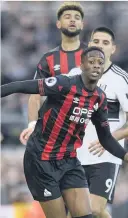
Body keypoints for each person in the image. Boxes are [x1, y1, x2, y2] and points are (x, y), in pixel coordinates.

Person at [1, 47, 128, 218]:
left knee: (87, 215)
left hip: (69, 161)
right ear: (81, 65)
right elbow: (21, 86)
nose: (96, 66)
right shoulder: (64, 84)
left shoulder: (99, 98)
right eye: (91, 62)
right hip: (41, 161)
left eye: (100, 63)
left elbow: (106, 138)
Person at [77, 27, 128, 218]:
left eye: (105, 43)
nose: (100, 45)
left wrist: (109, 139)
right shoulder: (76, 73)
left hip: (105, 155)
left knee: (95, 208)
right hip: (75, 153)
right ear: (89, 45)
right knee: (78, 211)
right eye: (96, 41)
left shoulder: (122, 80)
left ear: (113, 49)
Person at [20, 1, 86, 145]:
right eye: (67, 16)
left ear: (82, 24)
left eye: (77, 17)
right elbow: (35, 95)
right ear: (58, 24)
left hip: (89, 131)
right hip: (57, 133)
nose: (72, 19)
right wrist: (32, 124)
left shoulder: (93, 56)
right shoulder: (49, 58)